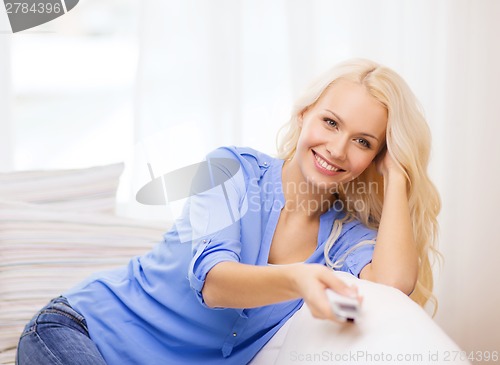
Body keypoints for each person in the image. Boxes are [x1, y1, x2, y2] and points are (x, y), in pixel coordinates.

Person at [16, 58, 440, 365]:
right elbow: (214, 282)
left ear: (377, 157)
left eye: (364, 142)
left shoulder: (345, 236)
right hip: (78, 331)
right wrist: (298, 278)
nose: (337, 149)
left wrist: (399, 176)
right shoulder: (231, 170)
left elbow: (393, 284)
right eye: (330, 122)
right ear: (303, 113)